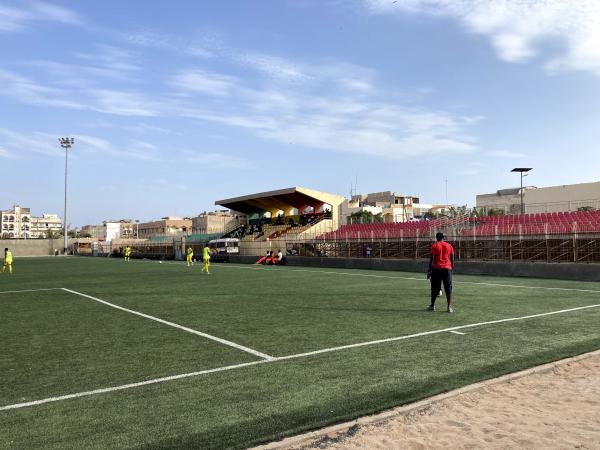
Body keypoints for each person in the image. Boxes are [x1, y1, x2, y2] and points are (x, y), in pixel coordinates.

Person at [427, 232, 455, 313]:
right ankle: (449, 307)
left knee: (434, 289)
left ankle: (432, 306)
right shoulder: (449, 246)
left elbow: (431, 259)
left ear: (436, 238)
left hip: (437, 269)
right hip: (447, 269)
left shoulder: (434, 246)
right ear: (443, 238)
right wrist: (451, 268)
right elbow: (452, 258)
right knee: (448, 288)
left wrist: (429, 271)